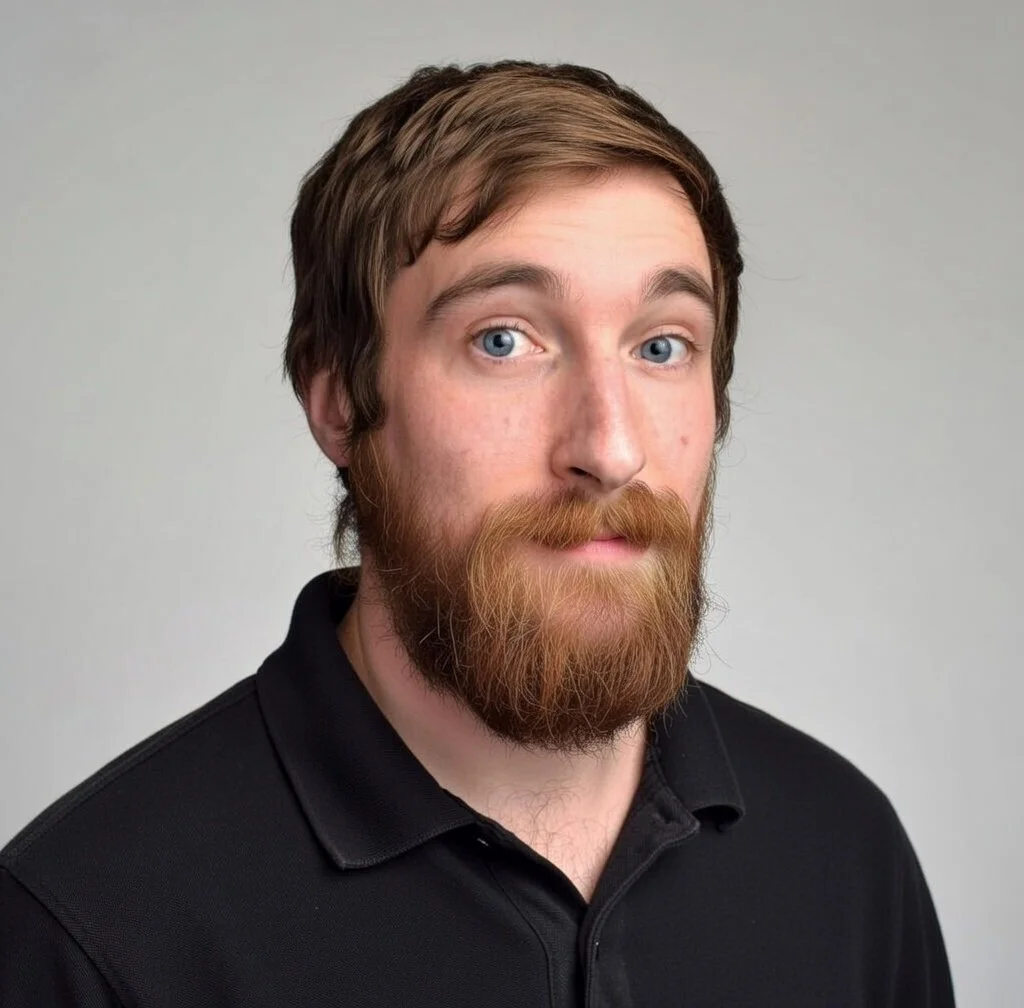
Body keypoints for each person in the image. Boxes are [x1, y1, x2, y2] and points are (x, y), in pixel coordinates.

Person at [0, 61, 955, 1006]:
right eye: (504, 339)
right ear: (338, 400)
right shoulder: (87, 931)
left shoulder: (847, 856)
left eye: (662, 346)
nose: (610, 449)